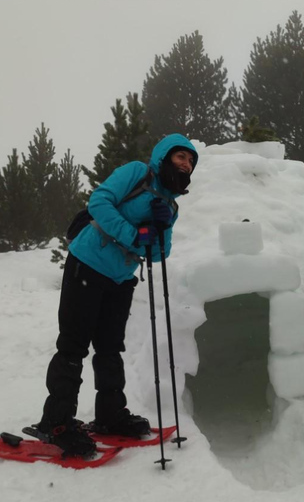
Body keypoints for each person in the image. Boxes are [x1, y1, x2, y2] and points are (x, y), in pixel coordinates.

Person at [36, 133, 198, 457]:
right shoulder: (137, 173)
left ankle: (110, 415)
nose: (186, 164)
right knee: (73, 345)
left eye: (191, 161)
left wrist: (161, 228)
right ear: (164, 156)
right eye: (181, 156)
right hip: (88, 262)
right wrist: (136, 234)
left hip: (121, 279)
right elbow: (99, 201)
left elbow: (158, 254)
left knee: (110, 348)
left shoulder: (170, 205)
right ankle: (56, 423)